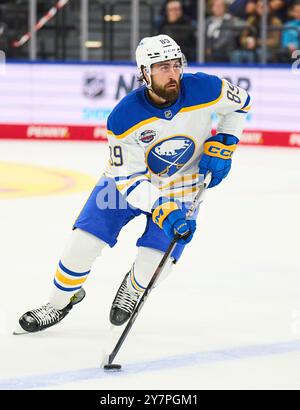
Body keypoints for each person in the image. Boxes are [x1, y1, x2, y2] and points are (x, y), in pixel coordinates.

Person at [16, 34, 251, 334]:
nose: (172, 73)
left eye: (175, 65)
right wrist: (159, 205)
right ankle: (59, 302)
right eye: (162, 67)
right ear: (144, 73)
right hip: (126, 185)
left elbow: (242, 103)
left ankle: (134, 286)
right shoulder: (124, 117)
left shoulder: (207, 88)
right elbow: (128, 178)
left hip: (183, 187)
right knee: (81, 245)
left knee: (154, 264)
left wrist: (228, 141)